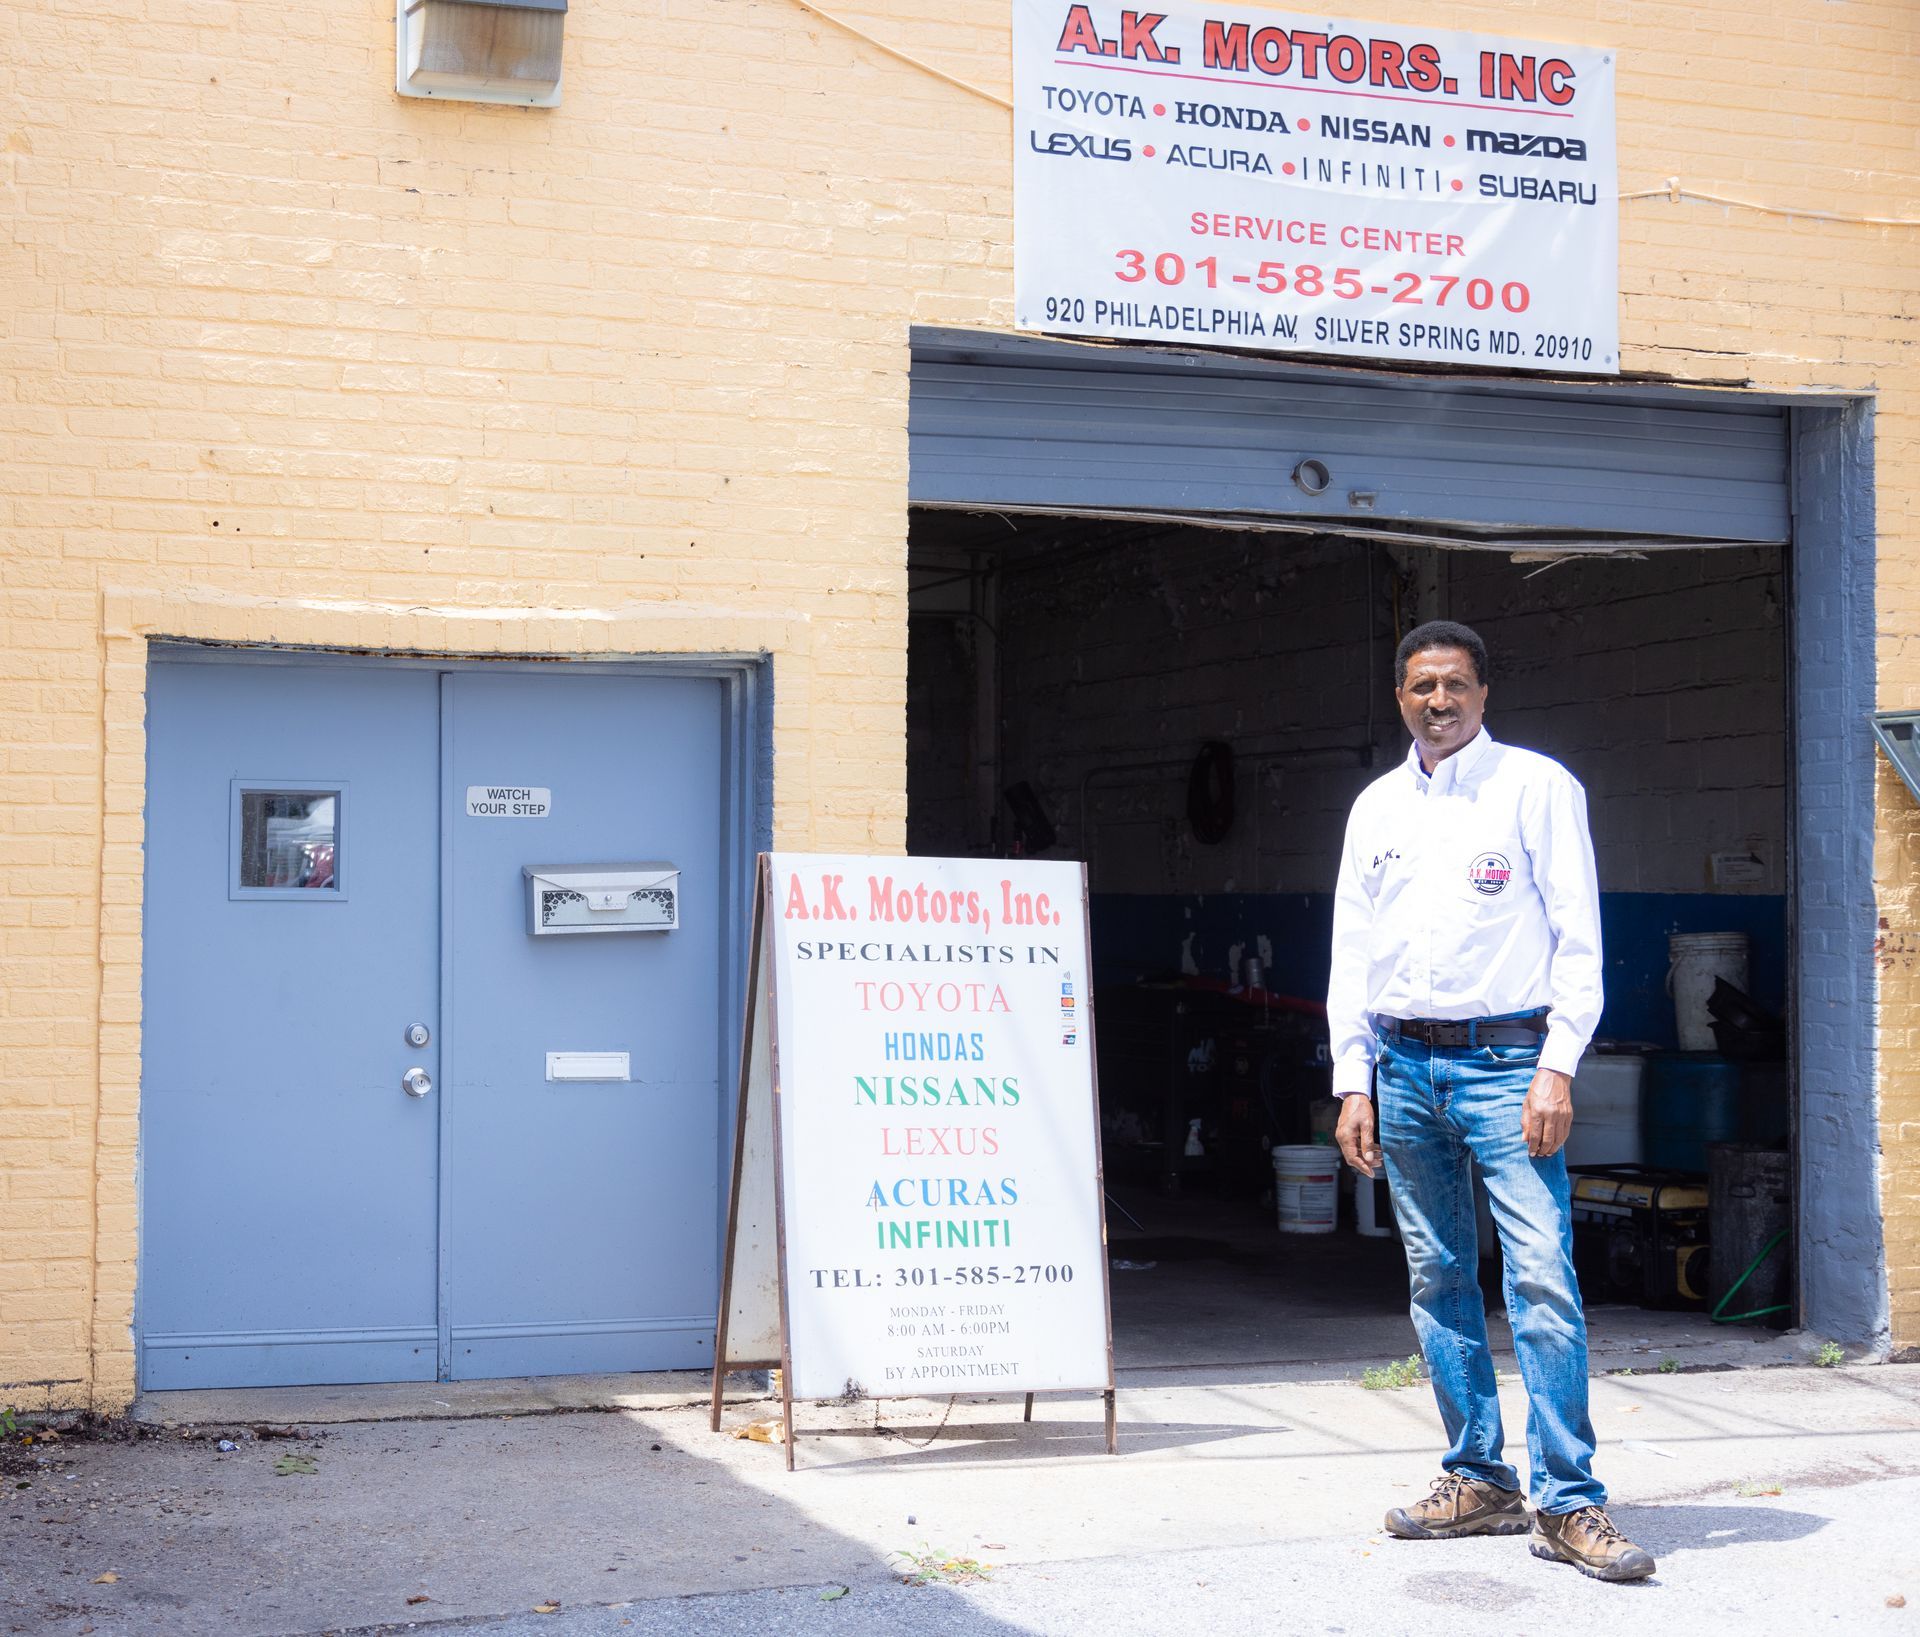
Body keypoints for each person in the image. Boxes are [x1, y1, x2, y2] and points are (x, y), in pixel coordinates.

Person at [1327, 618, 1656, 1583]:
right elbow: (1353, 951)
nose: (1440, 702)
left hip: (1511, 1065)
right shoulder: (1377, 808)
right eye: (1423, 686)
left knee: (1543, 1276)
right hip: (1403, 1066)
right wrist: (1354, 1077)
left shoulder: (1536, 788)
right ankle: (1479, 1475)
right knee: (1437, 1277)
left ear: (1484, 694)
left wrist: (1558, 1063)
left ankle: (1569, 1500)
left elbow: (1579, 939)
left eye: (1457, 685)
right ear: (1401, 698)